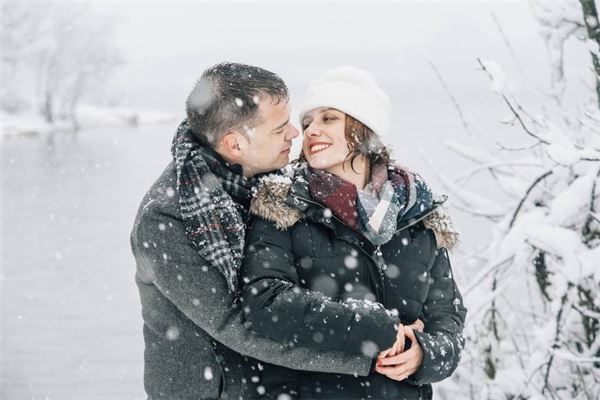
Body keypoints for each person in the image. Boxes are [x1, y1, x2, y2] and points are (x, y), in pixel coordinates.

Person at [130, 62, 414, 400]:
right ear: (235, 145)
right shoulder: (167, 219)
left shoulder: (272, 185)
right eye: (280, 129)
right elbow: (236, 325)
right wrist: (371, 356)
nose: (295, 134)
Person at [241, 66, 467, 399]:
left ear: (364, 127)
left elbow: (448, 319)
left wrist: (425, 355)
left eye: (329, 118)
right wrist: (374, 327)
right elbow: (265, 302)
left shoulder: (417, 214)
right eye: (307, 122)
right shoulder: (283, 207)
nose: (311, 130)